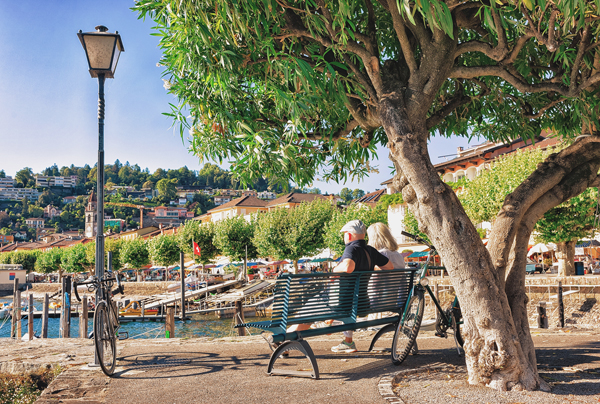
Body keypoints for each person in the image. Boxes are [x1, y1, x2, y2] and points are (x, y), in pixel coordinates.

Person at [286, 219, 393, 354]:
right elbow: (390, 266)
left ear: (348, 235)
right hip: (361, 304)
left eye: (344, 234)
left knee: (306, 313)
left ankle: (282, 339)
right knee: (311, 312)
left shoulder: (351, 248)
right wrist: (368, 269)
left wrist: (335, 270)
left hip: (341, 305)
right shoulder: (370, 250)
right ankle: (286, 341)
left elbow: (348, 266)